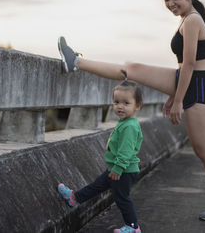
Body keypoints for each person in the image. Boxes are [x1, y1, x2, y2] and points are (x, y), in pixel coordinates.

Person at [57, 0, 205, 221]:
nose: (171, 3)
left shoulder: (192, 20)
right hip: (187, 80)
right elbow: (185, 65)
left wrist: (178, 99)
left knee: (203, 149)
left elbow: (191, 63)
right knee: (132, 69)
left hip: (198, 87)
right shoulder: (186, 19)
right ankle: (76, 62)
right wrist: (173, 93)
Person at [58, 75, 143, 233]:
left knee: (121, 198)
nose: (120, 106)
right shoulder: (125, 122)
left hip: (123, 170)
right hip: (117, 168)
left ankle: (133, 227)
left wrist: (118, 167)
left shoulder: (130, 126)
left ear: (137, 106)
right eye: (116, 102)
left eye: (126, 103)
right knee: (97, 186)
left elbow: (126, 150)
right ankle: (73, 198)